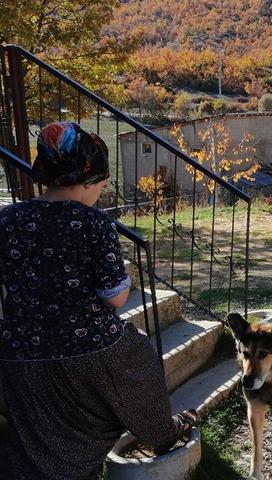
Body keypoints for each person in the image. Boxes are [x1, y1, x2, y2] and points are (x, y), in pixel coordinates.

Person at [0, 122, 196, 480]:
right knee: (138, 365)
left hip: (19, 347)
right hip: (85, 343)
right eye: (102, 184)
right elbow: (116, 297)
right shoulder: (93, 223)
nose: (102, 191)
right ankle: (163, 433)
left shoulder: (8, 219)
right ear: (88, 181)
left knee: (37, 422)